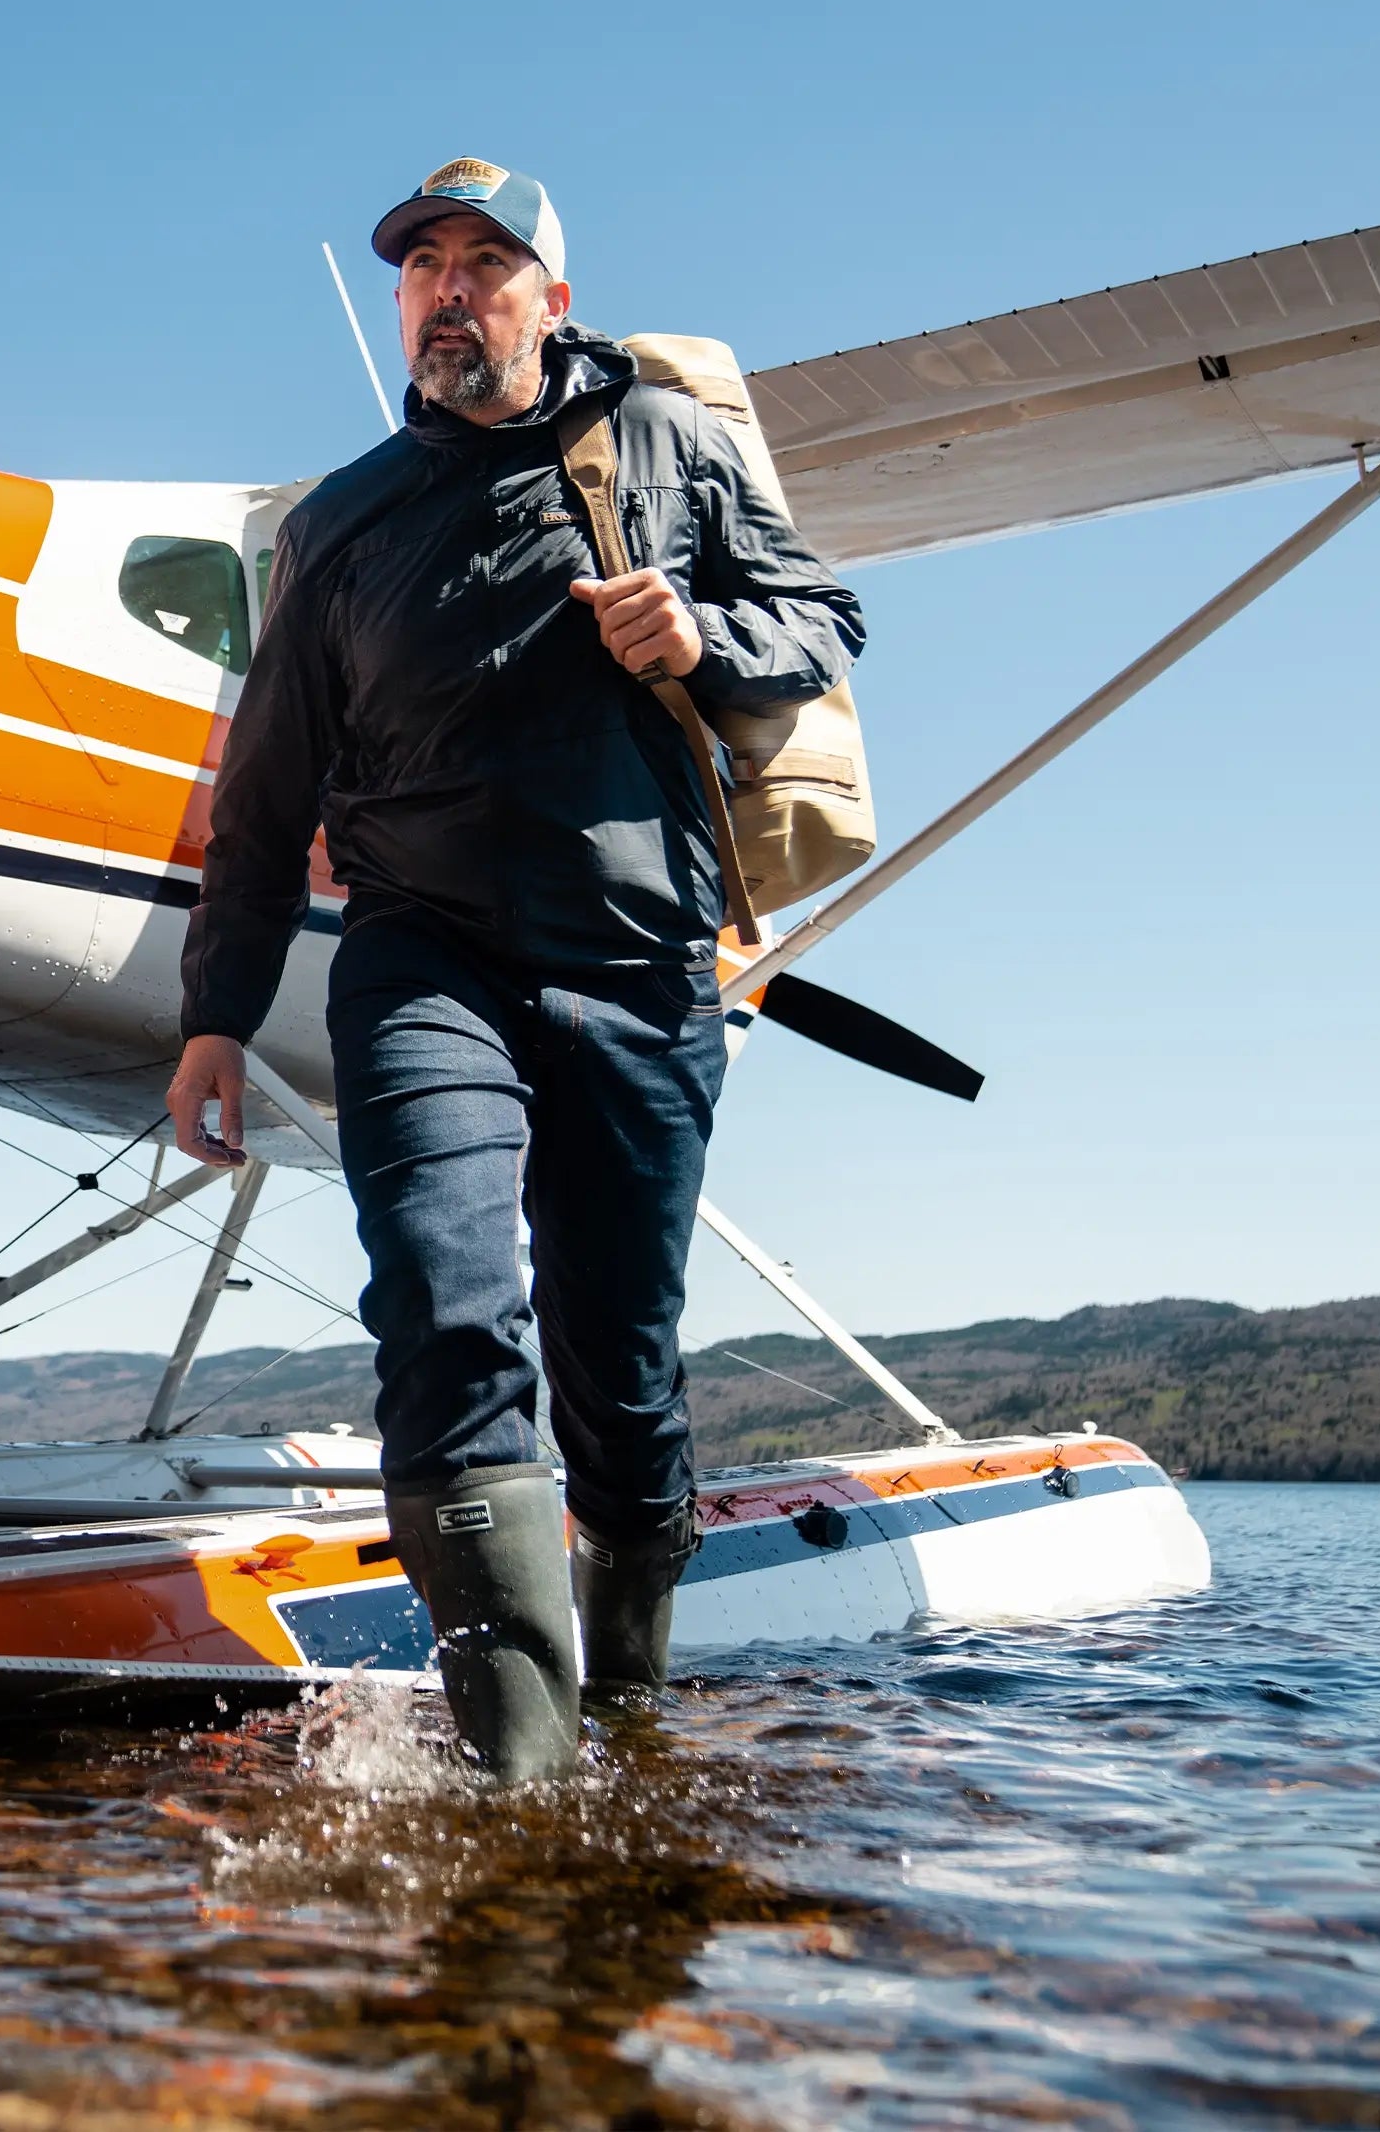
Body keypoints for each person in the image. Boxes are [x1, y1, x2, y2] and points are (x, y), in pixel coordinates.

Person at [164, 158, 865, 1781]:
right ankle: (527, 1794)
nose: (449, 289)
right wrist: (216, 1014)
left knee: (620, 1383)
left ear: (552, 299)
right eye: (423, 268)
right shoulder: (337, 525)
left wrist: (704, 639)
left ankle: (628, 1716)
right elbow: (266, 796)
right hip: (424, 963)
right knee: (444, 1310)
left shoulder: (669, 449)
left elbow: (822, 617)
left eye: (488, 263)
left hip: (640, 964)